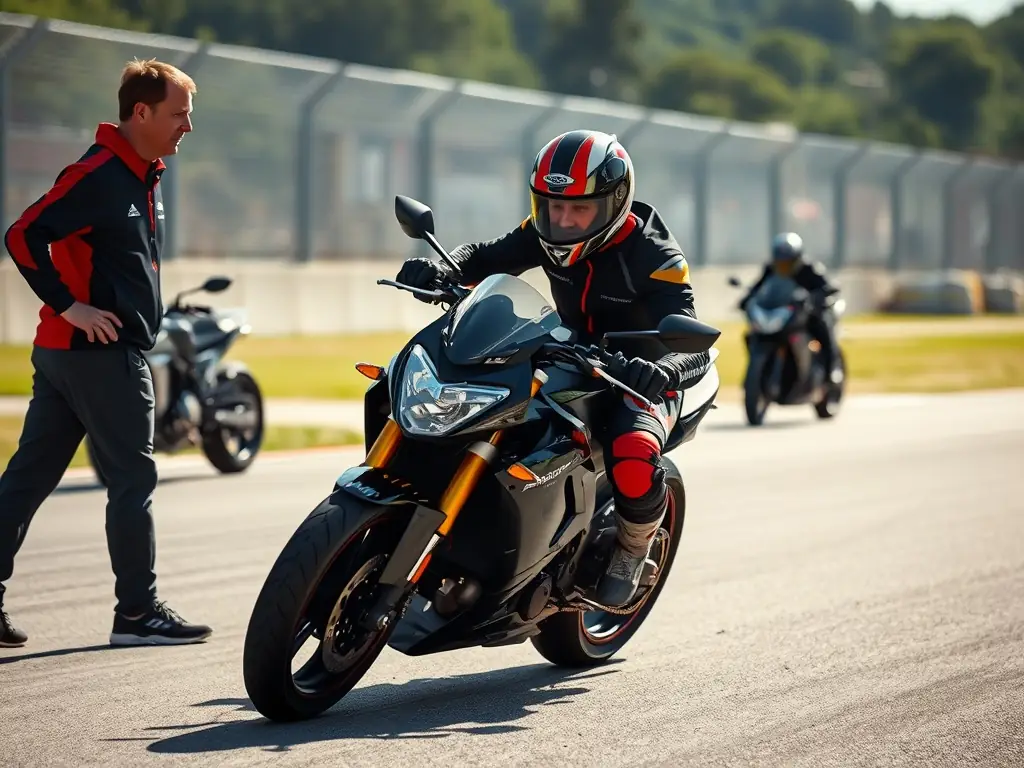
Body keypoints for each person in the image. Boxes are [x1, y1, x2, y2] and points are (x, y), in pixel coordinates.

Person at [394, 129, 712, 608]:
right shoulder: (546, 230)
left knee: (632, 445)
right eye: (552, 207)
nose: (562, 220)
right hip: (567, 350)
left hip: (639, 373)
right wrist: (444, 270)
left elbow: (693, 340)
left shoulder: (655, 256)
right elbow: (487, 257)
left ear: (614, 202)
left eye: (578, 209)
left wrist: (664, 370)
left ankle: (632, 546)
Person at [0, 59, 213, 648]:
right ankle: (138, 613)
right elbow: (22, 235)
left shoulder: (143, 172)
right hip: (97, 355)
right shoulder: (98, 172)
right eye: (178, 115)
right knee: (133, 479)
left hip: (75, 357)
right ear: (140, 112)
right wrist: (70, 306)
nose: (186, 128)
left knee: (27, 480)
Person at [739, 232, 841, 380]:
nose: (783, 267)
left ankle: (832, 368)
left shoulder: (809, 269)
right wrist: (746, 300)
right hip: (782, 311)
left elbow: (827, 287)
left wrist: (816, 298)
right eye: (780, 262)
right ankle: (761, 372)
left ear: (797, 259)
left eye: (788, 263)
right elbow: (758, 287)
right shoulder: (771, 269)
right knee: (753, 334)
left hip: (808, 313)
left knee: (823, 327)